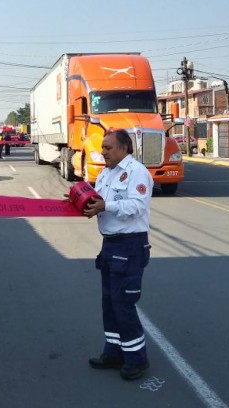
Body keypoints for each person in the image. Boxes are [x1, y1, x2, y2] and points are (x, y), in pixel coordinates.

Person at [81, 129, 152, 381]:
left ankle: (136, 359)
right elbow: (100, 201)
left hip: (130, 246)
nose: (103, 152)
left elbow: (136, 206)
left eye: (109, 148)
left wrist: (105, 206)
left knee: (123, 304)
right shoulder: (105, 173)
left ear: (124, 148)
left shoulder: (137, 172)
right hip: (110, 245)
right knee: (109, 303)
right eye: (103, 147)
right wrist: (85, 204)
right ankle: (114, 352)